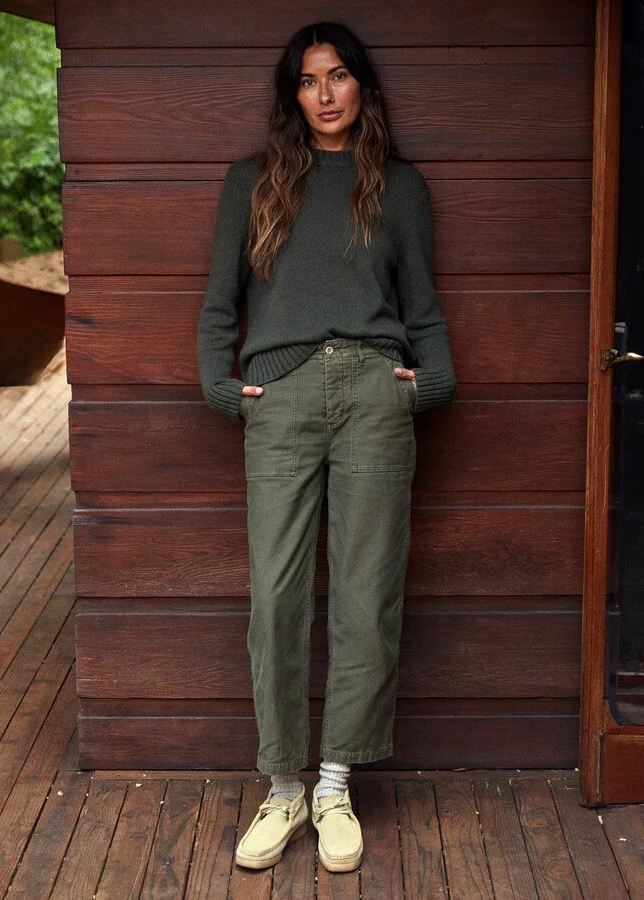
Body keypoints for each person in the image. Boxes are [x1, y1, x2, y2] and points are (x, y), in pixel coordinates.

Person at [196, 20, 456, 873]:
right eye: (309, 81)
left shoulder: (399, 187)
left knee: (365, 592)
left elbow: (420, 306)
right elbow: (218, 306)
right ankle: (281, 786)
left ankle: (334, 783)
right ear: (292, 95)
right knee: (275, 595)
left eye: (339, 76)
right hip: (284, 397)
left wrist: (430, 380)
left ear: (361, 87)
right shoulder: (253, 182)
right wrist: (224, 388)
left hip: (375, 395)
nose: (326, 93)